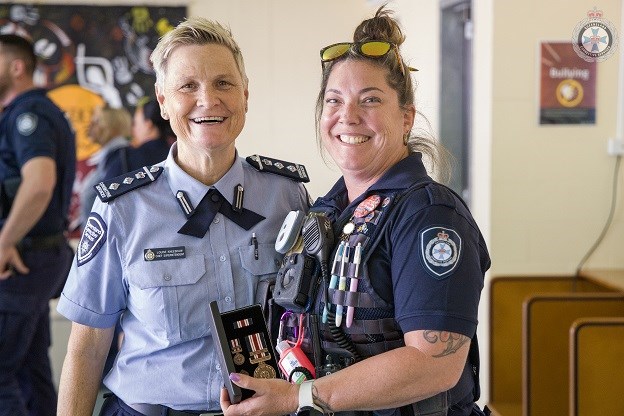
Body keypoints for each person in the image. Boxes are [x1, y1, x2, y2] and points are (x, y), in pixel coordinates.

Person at [220, 7, 490, 416]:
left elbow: (435, 365)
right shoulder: (326, 211)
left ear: (406, 118)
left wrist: (298, 398)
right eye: (335, 100)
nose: (348, 115)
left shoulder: (430, 217)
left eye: (370, 100)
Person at [56, 17, 310, 416]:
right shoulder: (122, 209)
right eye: (188, 86)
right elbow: (87, 347)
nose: (208, 100)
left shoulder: (288, 195)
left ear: (246, 94)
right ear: (163, 101)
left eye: (224, 83)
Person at [0, 34, 76, 416]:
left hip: (24, 260)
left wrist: (4, 241)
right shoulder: (30, 112)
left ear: (16, 66)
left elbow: (39, 182)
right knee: (30, 371)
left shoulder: (29, 114)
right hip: (34, 256)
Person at [79, 105, 132, 228]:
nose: (90, 126)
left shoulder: (121, 158)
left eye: (96, 121)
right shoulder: (110, 157)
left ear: (110, 126)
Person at [102, 97, 174, 179]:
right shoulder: (176, 158)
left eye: (135, 123)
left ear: (148, 125)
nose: (132, 130)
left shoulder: (125, 158)